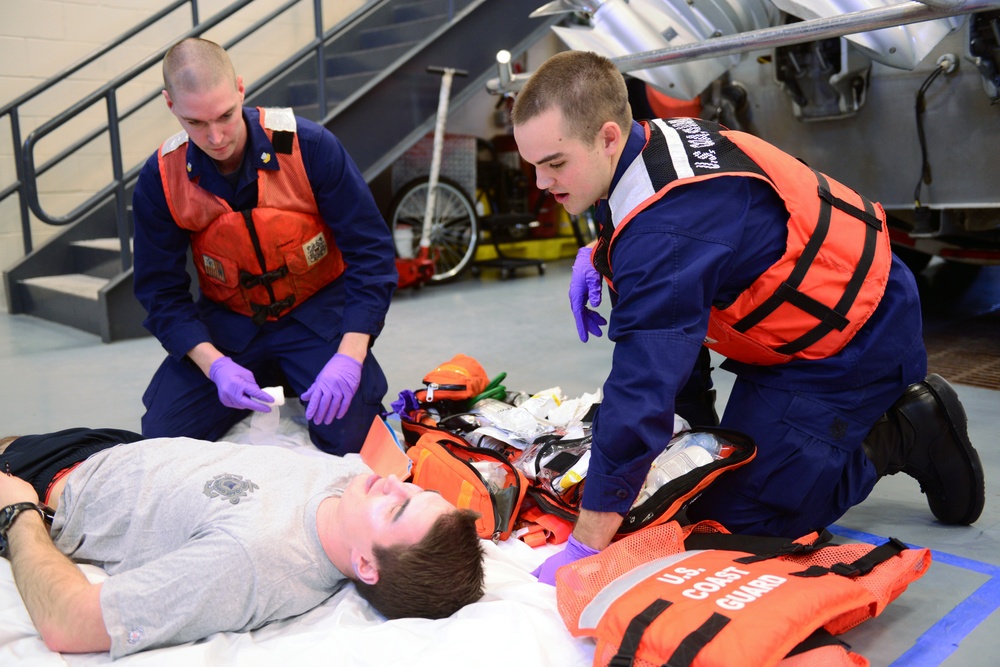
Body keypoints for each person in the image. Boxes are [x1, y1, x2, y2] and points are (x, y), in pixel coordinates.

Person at [509, 50, 985, 582]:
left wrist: (588, 543)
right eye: (533, 165)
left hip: (854, 337)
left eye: (555, 164)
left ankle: (907, 428)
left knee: (733, 528)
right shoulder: (636, 155)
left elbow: (642, 384)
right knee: (698, 489)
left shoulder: (668, 230)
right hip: (788, 330)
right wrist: (694, 448)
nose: (542, 184)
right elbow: (674, 341)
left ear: (609, 136)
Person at [0, 429, 484, 658]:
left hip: (47, 479)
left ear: (366, 566)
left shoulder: (250, 562)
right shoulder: (355, 483)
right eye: (420, 490)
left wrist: (17, 511)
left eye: (399, 508)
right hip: (116, 446)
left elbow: (70, 622)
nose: (398, 486)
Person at [132, 38, 398, 455]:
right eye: (196, 123)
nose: (216, 137)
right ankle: (263, 377)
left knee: (352, 439)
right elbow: (160, 292)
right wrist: (213, 365)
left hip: (316, 312)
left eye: (225, 115)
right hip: (229, 324)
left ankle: (303, 371)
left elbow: (371, 253)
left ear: (240, 89)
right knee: (164, 438)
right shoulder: (161, 179)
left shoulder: (308, 147)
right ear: (170, 104)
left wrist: (349, 358)